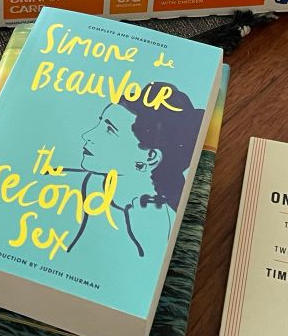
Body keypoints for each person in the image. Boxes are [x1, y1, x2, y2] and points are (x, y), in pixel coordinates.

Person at [66, 82, 204, 258]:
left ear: (150, 157)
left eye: (109, 130)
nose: (88, 136)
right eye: (100, 124)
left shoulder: (158, 221)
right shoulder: (91, 183)